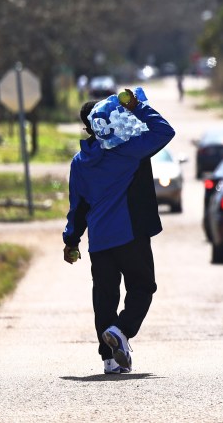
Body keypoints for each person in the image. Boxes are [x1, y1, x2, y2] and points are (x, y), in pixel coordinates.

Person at [62, 90, 175, 374]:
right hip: (130, 234)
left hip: (99, 241)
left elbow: (78, 207)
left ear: (88, 128)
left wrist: (71, 241)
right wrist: (137, 107)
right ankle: (121, 331)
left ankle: (109, 360)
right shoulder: (127, 150)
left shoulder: (79, 162)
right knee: (142, 287)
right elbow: (164, 131)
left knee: (105, 297)